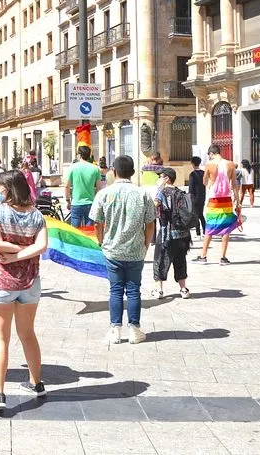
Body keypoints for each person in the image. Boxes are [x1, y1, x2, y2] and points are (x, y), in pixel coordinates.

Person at [0, 170, 48, 413]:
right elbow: (41, 246)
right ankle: (37, 382)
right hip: (30, 282)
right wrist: (25, 251)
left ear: (8, 189)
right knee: (28, 333)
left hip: (1, 280)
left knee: (0, 337)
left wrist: (12, 256)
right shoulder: (36, 215)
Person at [90, 156, 155, 346]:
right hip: (135, 249)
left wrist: (101, 241)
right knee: (134, 290)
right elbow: (150, 223)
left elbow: (97, 222)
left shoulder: (104, 194)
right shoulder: (142, 194)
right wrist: (146, 244)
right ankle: (134, 329)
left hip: (112, 250)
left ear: (114, 171)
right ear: (133, 172)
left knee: (116, 289)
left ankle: (115, 329)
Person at [192, 144, 238, 266]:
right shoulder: (230, 164)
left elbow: (204, 181)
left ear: (211, 153)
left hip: (214, 199)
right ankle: (223, 257)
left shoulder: (209, 165)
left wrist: (210, 180)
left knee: (210, 226)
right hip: (227, 199)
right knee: (226, 228)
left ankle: (203, 256)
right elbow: (234, 184)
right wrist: (238, 201)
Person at [152, 168, 191, 300]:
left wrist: (159, 188)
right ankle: (183, 289)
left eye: (161, 176)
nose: (159, 178)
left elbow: (155, 204)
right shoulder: (180, 192)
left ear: (166, 178)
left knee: (161, 259)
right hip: (182, 234)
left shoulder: (163, 192)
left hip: (166, 233)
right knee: (180, 260)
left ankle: (159, 290)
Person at [65, 146, 101, 227]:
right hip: (90, 203)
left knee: (75, 231)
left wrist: (68, 200)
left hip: (76, 203)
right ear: (89, 155)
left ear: (79, 155)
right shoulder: (95, 169)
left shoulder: (72, 167)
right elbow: (99, 188)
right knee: (89, 230)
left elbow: (67, 186)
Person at [187, 156, 206, 237]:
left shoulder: (192, 174)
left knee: (196, 215)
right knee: (201, 214)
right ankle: (205, 231)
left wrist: (189, 197)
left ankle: (198, 233)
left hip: (194, 197)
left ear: (192, 163)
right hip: (202, 196)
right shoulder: (204, 173)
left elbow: (191, 188)